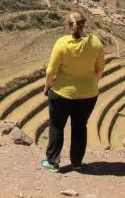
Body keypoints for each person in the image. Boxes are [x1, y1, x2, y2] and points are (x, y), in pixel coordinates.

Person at [40, 11, 105, 172]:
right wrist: (91, 84)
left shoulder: (62, 43)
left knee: (56, 126)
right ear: (84, 24)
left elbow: (51, 71)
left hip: (62, 93)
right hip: (88, 95)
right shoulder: (95, 42)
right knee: (80, 127)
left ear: (69, 26)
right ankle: (77, 163)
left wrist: (47, 86)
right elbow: (100, 69)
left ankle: (53, 163)